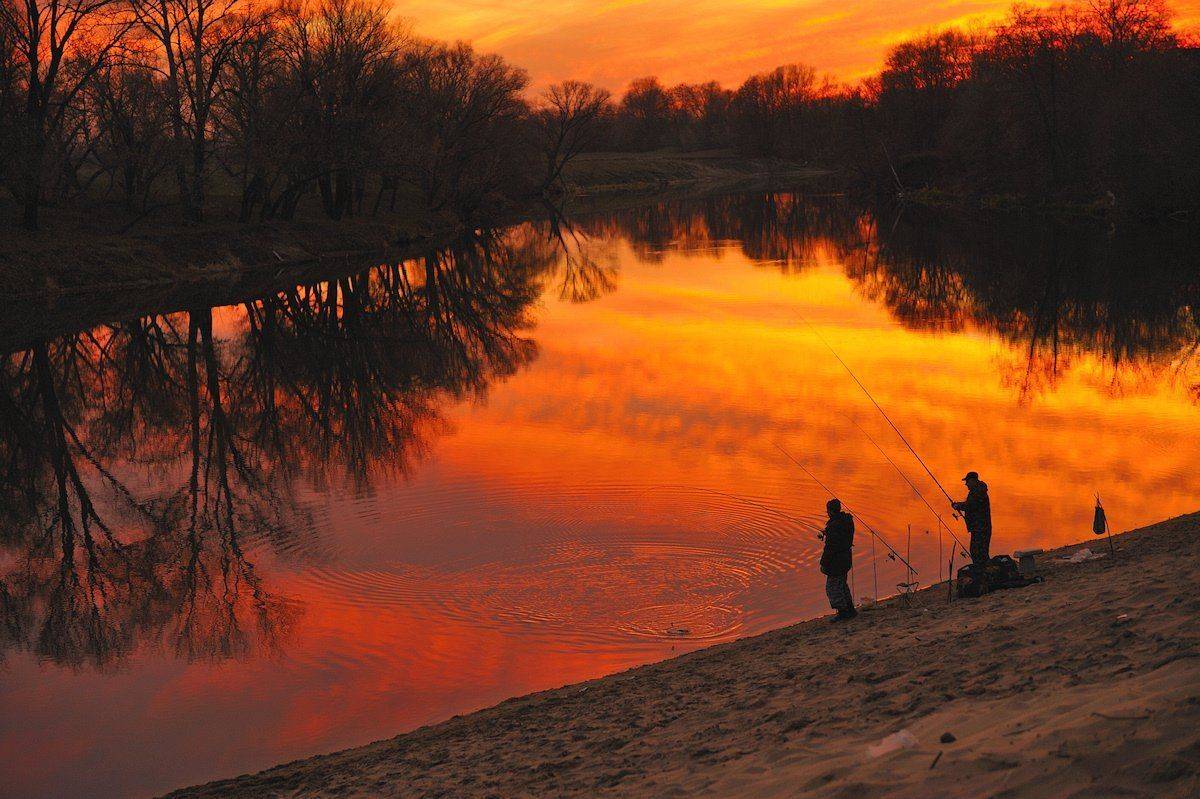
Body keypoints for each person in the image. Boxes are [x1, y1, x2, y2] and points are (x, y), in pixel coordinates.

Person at [819, 498, 856, 621]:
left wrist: (823, 563)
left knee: (833, 588)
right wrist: (829, 532)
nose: (827, 513)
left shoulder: (834, 526)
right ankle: (850, 610)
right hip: (846, 559)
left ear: (830, 511)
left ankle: (843, 612)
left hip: (837, 562)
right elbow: (841, 537)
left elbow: (830, 547)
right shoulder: (846, 521)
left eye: (828, 511)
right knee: (842, 585)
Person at [952, 471, 992, 566]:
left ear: (973, 480)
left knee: (977, 552)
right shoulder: (978, 491)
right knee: (980, 553)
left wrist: (958, 505)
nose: (966, 484)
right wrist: (959, 505)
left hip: (980, 528)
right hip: (980, 528)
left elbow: (970, 506)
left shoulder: (977, 492)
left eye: (967, 481)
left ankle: (983, 573)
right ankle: (984, 572)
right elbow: (970, 505)